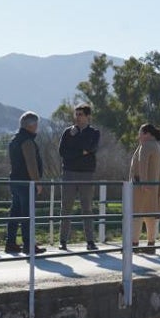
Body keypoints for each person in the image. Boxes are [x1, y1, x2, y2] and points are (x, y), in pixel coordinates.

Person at [58, 102, 100, 251]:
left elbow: (91, 148)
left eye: (80, 114)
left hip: (86, 173)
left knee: (87, 208)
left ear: (88, 116)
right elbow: (62, 152)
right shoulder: (67, 132)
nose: (77, 117)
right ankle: (62, 240)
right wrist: (80, 152)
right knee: (66, 207)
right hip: (69, 173)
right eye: (76, 114)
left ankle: (90, 241)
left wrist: (76, 151)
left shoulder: (94, 132)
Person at [5, 111, 46, 255]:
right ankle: (29, 245)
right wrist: (37, 182)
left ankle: (10, 243)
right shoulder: (27, 141)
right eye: (36, 124)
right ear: (31, 125)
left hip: (15, 181)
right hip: (26, 183)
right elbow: (31, 164)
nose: (37, 127)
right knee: (28, 215)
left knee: (15, 213)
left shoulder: (14, 140)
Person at [128, 123, 160, 254]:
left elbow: (142, 164)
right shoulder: (157, 147)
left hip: (141, 187)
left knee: (137, 215)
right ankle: (151, 244)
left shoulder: (145, 146)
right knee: (150, 216)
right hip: (154, 186)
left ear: (147, 134)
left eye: (141, 132)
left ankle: (134, 244)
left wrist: (143, 182)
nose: (139, 135)